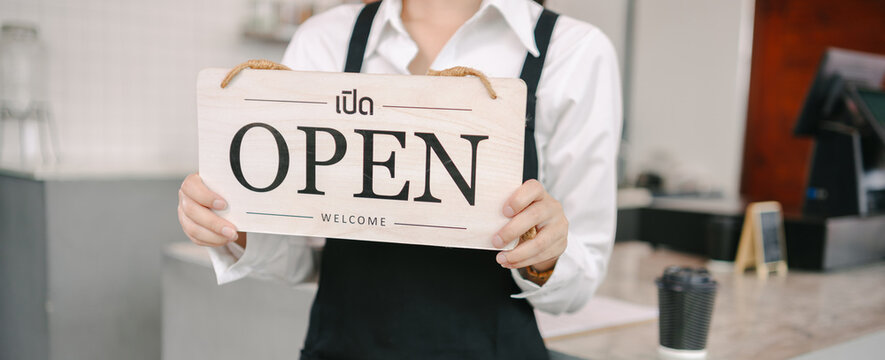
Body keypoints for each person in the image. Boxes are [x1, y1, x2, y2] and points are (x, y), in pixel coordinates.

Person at [177, 0, 621, 358]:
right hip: (340, 346)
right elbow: (300, 258)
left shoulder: (575, 52)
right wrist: (230, 224)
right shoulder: (325, 39)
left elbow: (578, 282)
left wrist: (544, 254)